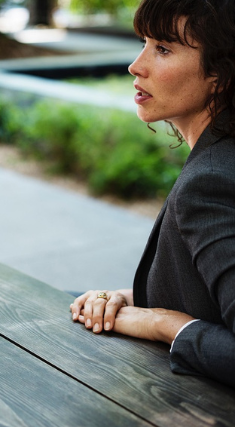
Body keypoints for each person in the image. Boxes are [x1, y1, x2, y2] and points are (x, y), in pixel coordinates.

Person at [70, 0, 235, 388]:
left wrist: (162, 323)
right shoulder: (220, 158)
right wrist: (128, 299)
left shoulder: (210, 182)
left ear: (221, 73)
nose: (136, 65)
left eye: (163, 49)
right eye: (144, 42)